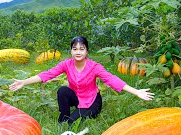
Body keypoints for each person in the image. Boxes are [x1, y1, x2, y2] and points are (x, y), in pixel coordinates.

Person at [9, 36, 154, 125]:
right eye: (75, 49)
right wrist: (23, 82)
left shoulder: (95, 67)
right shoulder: (66, 64)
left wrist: (136, 92)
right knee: (62, 90)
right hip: (76, 98)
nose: (78, 52)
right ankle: (63, 116)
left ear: (87, 52)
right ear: (71, 51)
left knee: (73, 121)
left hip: (92, 101)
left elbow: (112, 79)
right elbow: (47, 74)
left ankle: (73, 118)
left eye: (81, 49)